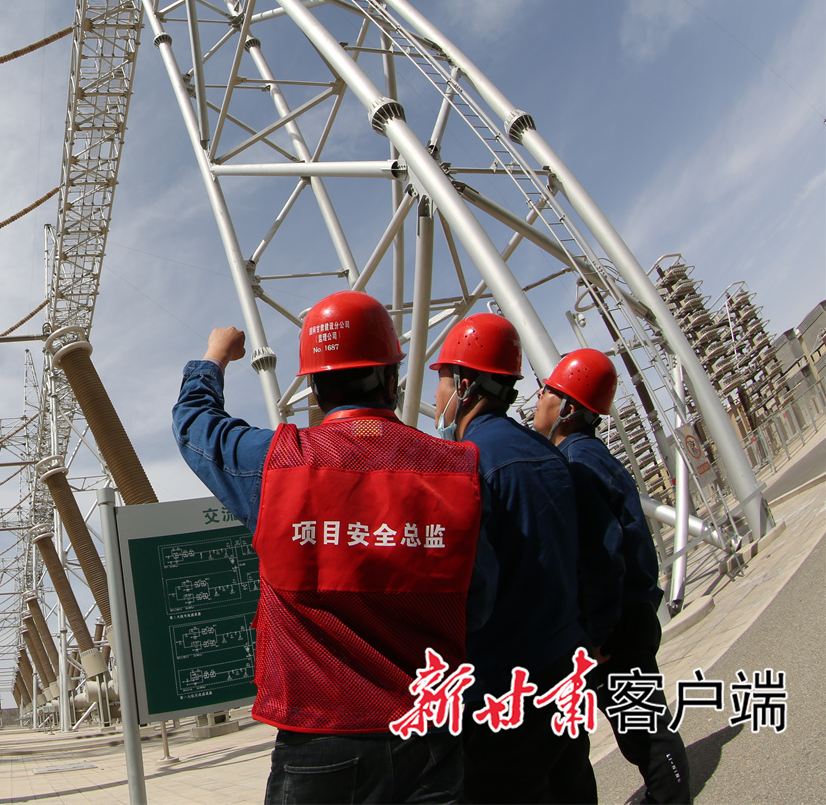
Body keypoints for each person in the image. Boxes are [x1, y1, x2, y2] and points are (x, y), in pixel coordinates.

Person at [173, 291, 495, 805]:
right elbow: (479, 601)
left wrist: (213, 357)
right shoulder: (457, 468)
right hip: (431, 734)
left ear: (315, 388)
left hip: (321, 738)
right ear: (392, 378)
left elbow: (193, 426)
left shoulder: (277, 464)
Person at [430, 313, 617, 804]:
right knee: (573, 788)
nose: (436, 396)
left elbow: (460, 590)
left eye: (442, 380)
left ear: (465, 385)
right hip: (564, 667)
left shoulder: (464, 465)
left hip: (501, 688)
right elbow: (596, 554)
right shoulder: (548, 451)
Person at [536, 349, 691, 804]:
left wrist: (598, 632)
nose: (537, 400)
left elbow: (602, 557)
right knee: (643, 727)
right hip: (632, 610)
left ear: (567, 407)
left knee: (646, 734)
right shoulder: (590, 454)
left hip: (617, 623)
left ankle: (671, 797)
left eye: (546, 391)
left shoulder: (575, 465)